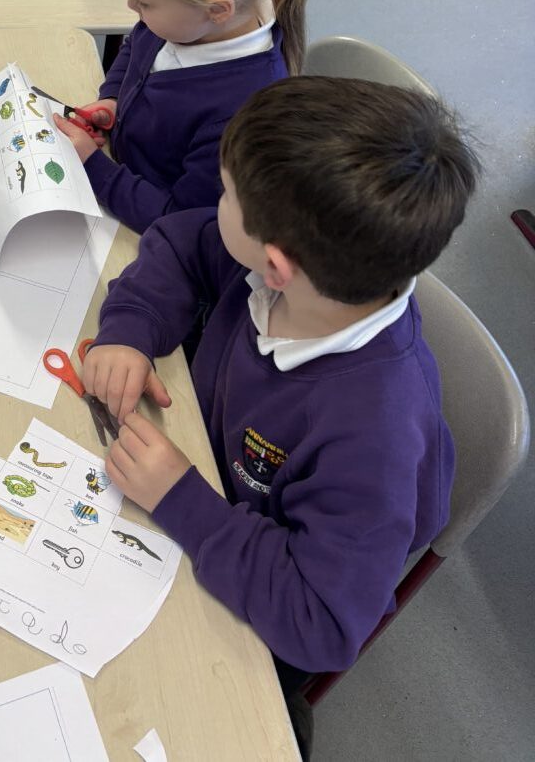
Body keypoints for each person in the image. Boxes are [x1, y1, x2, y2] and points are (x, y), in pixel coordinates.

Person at [84, 76, 478, 690]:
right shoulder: (301, 279)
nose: (215, 202)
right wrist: (131, 329)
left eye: (226, 193)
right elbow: (183, 245)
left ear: (276, 265)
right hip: (205, 489)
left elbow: (321, 623)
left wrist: (185, 502)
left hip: (252, 619)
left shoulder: (374, 440)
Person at [54, 0, 324, 233]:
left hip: (151, 230)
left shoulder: (238, 114)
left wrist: (94, 169)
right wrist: (113, 99)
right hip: (124, 174)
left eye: (144, 1)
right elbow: (136, 47)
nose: (132, 7)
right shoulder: (184, 22)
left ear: (217, 9)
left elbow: (184, 220)